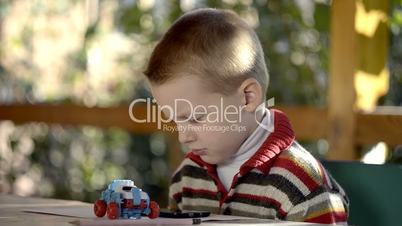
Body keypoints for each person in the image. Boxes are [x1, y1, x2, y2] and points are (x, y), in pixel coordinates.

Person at [143, 8, 349, 225]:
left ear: (248, 97)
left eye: (195, 118)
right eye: (176, 121)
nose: (183, 137)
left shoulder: (303, 187)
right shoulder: (187, 178)